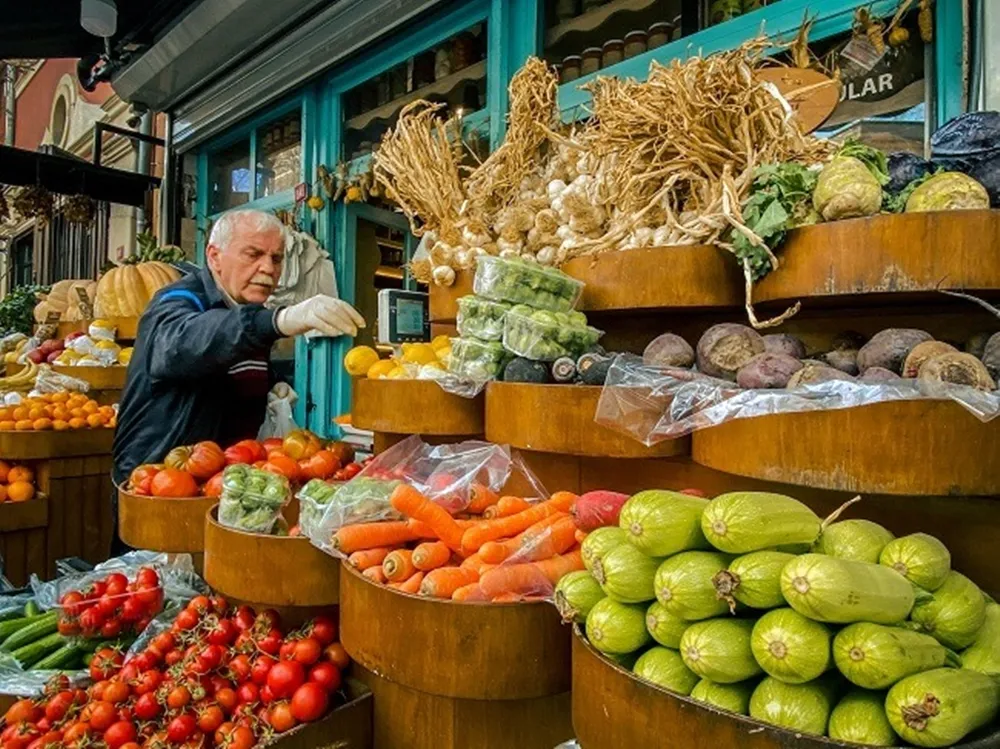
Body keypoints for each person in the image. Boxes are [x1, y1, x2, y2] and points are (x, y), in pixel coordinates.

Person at [111, 209, 364, 509]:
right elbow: (187, 344)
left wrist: (273, 384)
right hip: (160, 489)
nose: (268, 268)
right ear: (214, 256)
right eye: (253, 254)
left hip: (226, 487)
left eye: (277, 258)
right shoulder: (178, 301)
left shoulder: (245, 307)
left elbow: (228, 367)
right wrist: (277, 321)